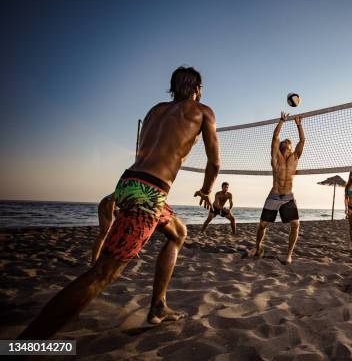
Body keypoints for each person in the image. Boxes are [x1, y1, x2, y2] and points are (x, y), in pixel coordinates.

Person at [19, 66, 221, 339]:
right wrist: (207, 190)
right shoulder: (203, 111)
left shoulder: (155, 111)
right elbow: (215, 162)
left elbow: (147, 152)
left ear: (173, 87)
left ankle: (158, 307)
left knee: (178, 233)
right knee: (101, 275)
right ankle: (24, 345)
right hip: (149, 193)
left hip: (130, 184)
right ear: (197, 89)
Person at [247, 112, 305, 264]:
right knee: (262, 225)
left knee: (295, 224)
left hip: (287, 196)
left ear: (291, 148)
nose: (286, 143)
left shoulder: (295, 158)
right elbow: (275, 138)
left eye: (288, 143)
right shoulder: (276, 159)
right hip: (274, 195)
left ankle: (288, 255)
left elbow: (302, 140)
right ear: (280, 147)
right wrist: (282, 121)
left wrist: (299, 124)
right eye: (284, 143)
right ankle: (258, 247)